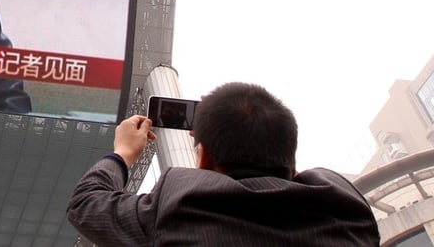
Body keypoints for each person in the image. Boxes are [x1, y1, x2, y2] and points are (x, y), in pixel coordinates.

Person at [67, 82, 379, 245]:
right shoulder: (349, 216)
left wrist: (124, 151)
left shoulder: (180, 207)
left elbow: (85, 203)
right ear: (292, 162)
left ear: (202, 157)